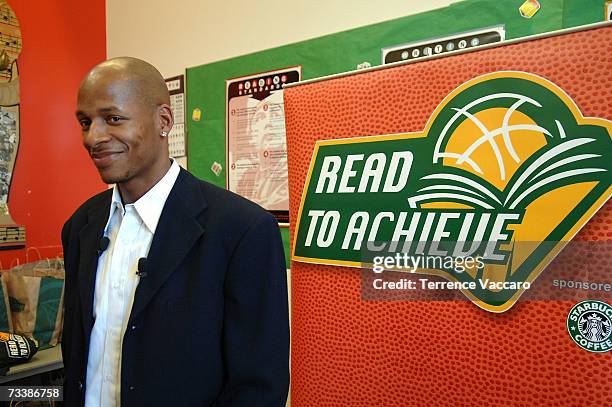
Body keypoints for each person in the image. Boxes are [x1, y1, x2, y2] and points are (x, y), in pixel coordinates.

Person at [61, 57, 290, 406]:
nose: (94, 137)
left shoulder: (242, 230)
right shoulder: (80, 227)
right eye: (84, 122)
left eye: (113, 119)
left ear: (163, 121)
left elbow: (258, 385)